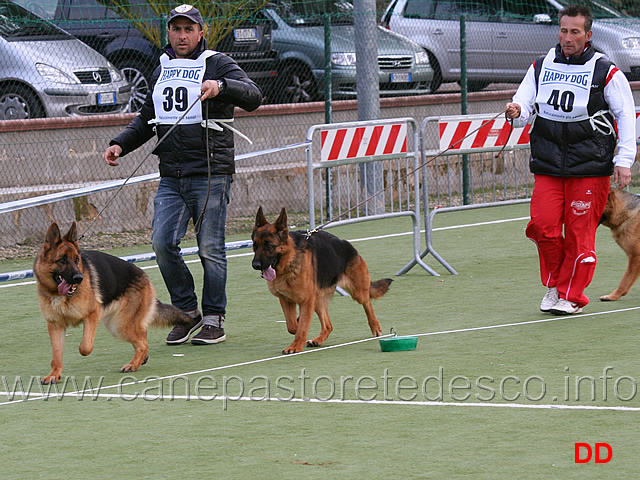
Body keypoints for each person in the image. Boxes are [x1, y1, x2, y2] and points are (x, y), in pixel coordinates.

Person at [104, 4, 262, 344]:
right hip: (172, 176)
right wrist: (120, 144)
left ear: (200, 32)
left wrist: (221, 86)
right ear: (169, 33)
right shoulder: (163, 67)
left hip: (211, 173)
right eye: (176, 29)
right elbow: (147, 117)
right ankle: (188, 312)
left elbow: (253, 96)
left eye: (189, 29)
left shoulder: (217, 62)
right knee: (162, 244)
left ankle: (214, 318)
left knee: (210, 249)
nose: (182, 35)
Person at [505, 4, 636, 315]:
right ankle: (555, 285)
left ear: (587, 35)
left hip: (590, 168)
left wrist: (624, 159)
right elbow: (524, 105)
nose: (567, 37)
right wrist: (516, 111)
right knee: (542, 226)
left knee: (580, 233)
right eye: (563, 30)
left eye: (575, 32)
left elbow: (626, 116)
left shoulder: (607, 71)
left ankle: (571, 296)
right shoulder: (540, 65)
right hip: (548, 164)